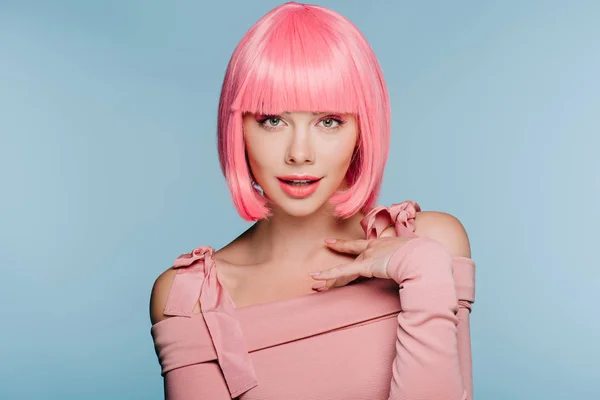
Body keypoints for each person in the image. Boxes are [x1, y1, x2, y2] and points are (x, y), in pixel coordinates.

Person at [149, 2, 476, 399]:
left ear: (363, 129)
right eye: (272, 120)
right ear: (237, 128)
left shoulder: (430, 244)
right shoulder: (189, 298)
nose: (299, 153)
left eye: (329, 121)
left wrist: (423, 271)